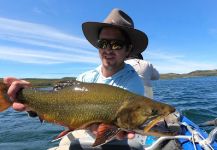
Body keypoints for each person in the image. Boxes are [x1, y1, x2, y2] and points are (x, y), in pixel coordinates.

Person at [3, 8, 149, 149]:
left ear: (128, 49)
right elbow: (60, 106)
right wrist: (30, 104)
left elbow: (117, 128)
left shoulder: (133, 83)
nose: (108, 49)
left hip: (115, 142)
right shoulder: (86, 77)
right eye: (103, 44)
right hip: (83, 136)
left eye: (116, 44)